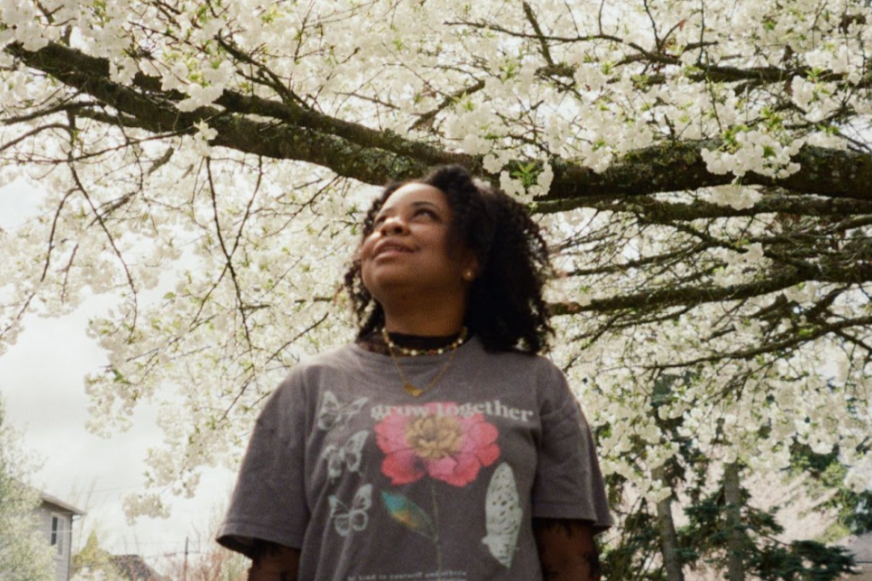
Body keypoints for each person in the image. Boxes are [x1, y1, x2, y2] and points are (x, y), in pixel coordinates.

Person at [217, 165, 612, 581]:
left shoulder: (535, 384)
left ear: (470, 260)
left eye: (422, 214)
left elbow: (570, 563)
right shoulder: (309, 387)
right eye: (378, 222)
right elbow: (275, 568)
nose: (392, 226)